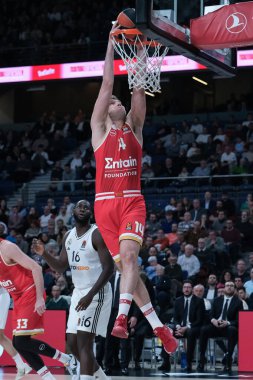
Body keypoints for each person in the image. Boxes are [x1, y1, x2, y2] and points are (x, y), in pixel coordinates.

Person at [90, 21, 177, 355]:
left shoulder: (135, 128)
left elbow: (137, 88)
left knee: (129, 258)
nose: (114, 101)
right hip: (103, 206)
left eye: (116, 101)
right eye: (111, 101)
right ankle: (159, 327)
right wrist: (112, 42)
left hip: (130, 202)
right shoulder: (99, 130)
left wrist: (139, 47)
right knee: (130, 268)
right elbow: (108, 82)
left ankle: (122, 318)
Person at [32, 200, 114, 380]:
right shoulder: (68, 235)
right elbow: (61, 267)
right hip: (78, 292)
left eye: (86, 207)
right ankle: (102, 377)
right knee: (72, 344)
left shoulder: (97, 234)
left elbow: (109, 268)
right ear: (74, 212)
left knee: (84, 342)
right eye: (80, 206)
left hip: (96, 292)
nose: (83, 209)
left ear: (91, 213)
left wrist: (90, 295)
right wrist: (44, 253)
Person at [0, 239, 74, 380]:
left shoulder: (7, 248)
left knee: (20, 342)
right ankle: (50, 374)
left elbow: (36, 267)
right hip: (17, 298)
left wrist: (40, 298)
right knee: (19, 343)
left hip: (30, 291)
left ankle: (66, 359)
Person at [0, 286, 32, 379]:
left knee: (0, 336)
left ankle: (21, 365)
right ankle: (21, 365)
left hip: (1, 295)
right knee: (0, 337)